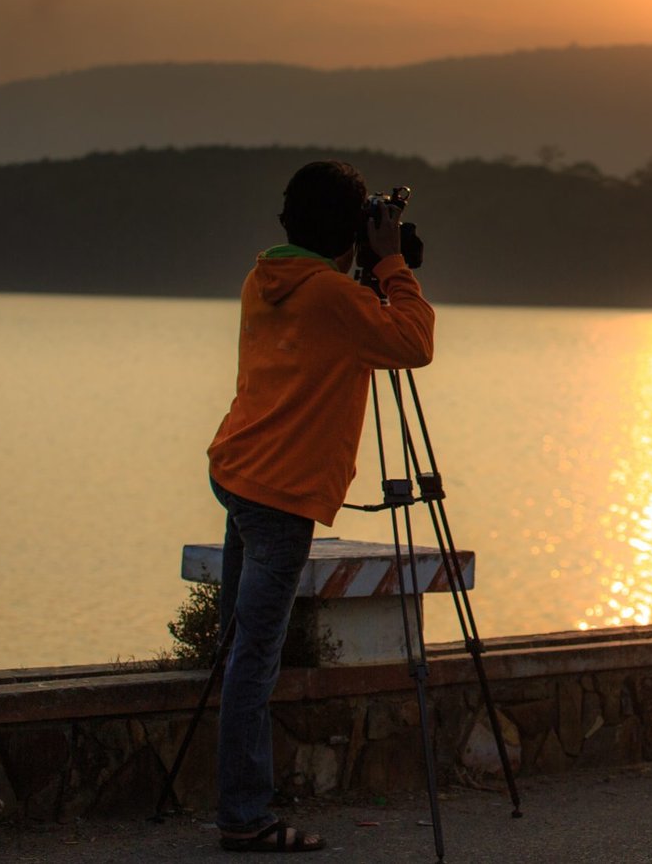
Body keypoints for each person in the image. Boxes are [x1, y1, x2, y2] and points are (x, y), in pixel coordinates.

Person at [206, 161, 435, 852]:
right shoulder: (334, 298)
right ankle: (245, 817)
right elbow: (414, 342)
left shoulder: (265, 279)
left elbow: (345, 323)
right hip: (279, 492)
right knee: (256, 656)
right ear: (346, 231)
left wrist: (369, 266)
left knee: (238, 645)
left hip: (237, 470)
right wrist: (391, 264)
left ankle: (235, 800)